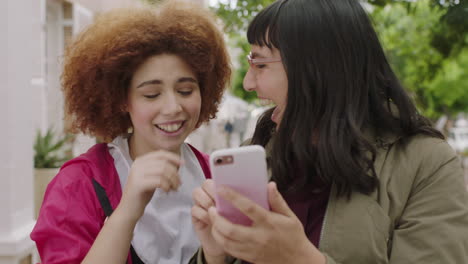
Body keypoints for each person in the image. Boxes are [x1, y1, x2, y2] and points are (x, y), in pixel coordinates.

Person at [190, 0, 468, 263]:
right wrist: (215, 255)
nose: (249, 83)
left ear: (319, 70)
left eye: (261, 65)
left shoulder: (426, 164)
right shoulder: (259, 151)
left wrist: (298, 258)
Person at [30, 2, 231, 264]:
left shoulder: (216, 176)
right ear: (122, 100)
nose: (173, 107)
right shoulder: (77, 184)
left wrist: (216, 256)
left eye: (185, 90)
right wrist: (127, 212)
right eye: (151, 94)